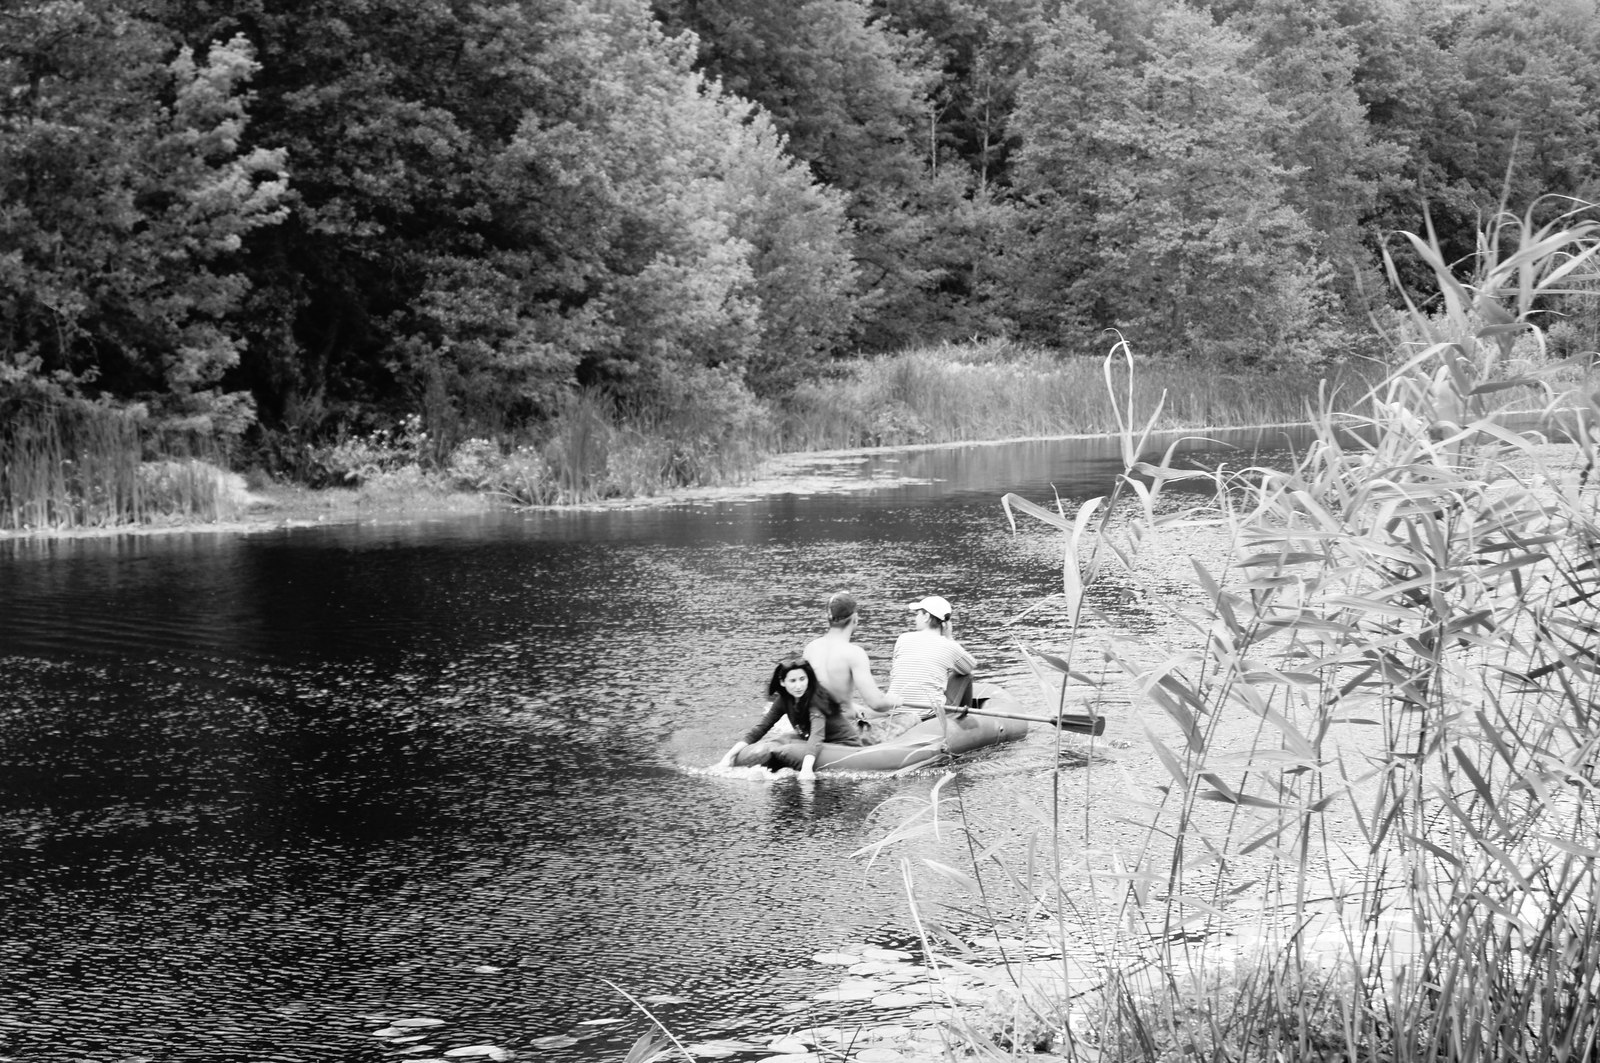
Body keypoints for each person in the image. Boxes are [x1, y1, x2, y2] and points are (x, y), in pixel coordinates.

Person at [717, 657, 860, 777]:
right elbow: (761, 728)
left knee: (786, 751)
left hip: (844, 746)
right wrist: (728, 757)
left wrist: (806, 770)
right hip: (822, 742)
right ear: (782, 682)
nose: (799, 686)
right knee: (779, 744)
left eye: (802, 679)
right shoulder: (783, 701)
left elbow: (817, 737)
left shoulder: (815, 701)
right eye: (793, 681)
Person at [805, 591, 917, 743]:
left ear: (828, 618)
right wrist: (892, 701)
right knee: (912, 717)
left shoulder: (811, 648)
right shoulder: (854, 653)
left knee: (868, 712)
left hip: (815, 723)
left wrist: (852, 705)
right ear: (855, 618)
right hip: (841, 729)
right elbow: (876, 704)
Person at [885, 595, 976, 714]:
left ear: (926, 617)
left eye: (918, 614)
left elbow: (894, 674)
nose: (915, 618)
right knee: (965, 675)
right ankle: (965, 720)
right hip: (928, 715)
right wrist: (949, 637)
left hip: (894, 711)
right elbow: (969, 667)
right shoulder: (949, 646)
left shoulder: (902, 638)